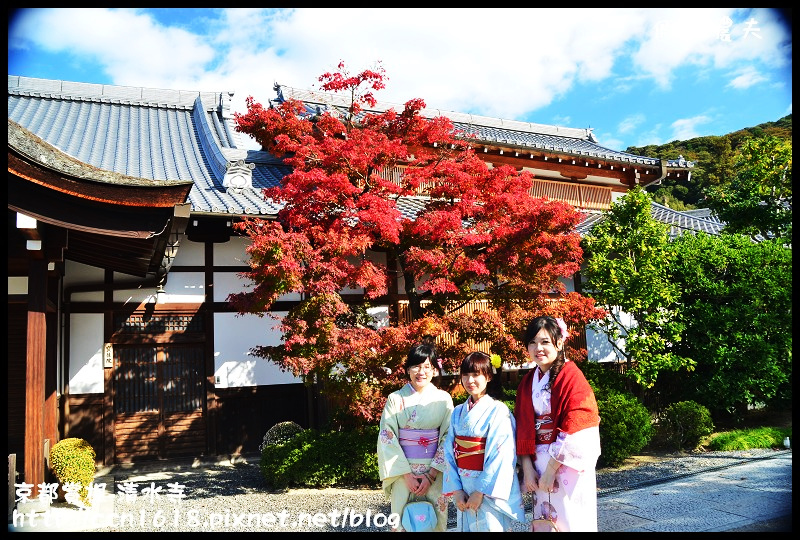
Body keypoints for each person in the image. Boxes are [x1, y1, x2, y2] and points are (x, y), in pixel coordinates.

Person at [514, 316, 601, 532]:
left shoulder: (572, 376)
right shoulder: (527, 382)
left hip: (565, 466)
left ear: (559, 343)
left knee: (570, 520)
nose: (538, 348)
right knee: (544, 522)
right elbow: (522, 427)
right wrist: (527, 468)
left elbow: (579, 423)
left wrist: (552, 470)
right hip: (537, 465)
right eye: (532, 342)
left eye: (545, 342)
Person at [377, 338, 454, 531]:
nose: (421, 372)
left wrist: (431, 475)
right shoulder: (395, 399)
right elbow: (387, 438)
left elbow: (448, 437)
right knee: (401, 523)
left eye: (427, 367)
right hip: (403, 474)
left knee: (436, 523)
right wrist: (407, 475)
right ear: (407, 370)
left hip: (434, 474)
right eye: (416, 367)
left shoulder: (443, 399)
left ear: (435, 370)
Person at [443, 351, 525, 531]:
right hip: (464, 486)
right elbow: (449, 451)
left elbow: (502, 454)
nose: (470, 380)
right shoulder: (457, 412)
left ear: (488, 376)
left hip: (487, 491)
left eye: (476, 374)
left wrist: (480, 492)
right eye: (465, 375)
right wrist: (457, 491)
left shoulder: (498, 411)